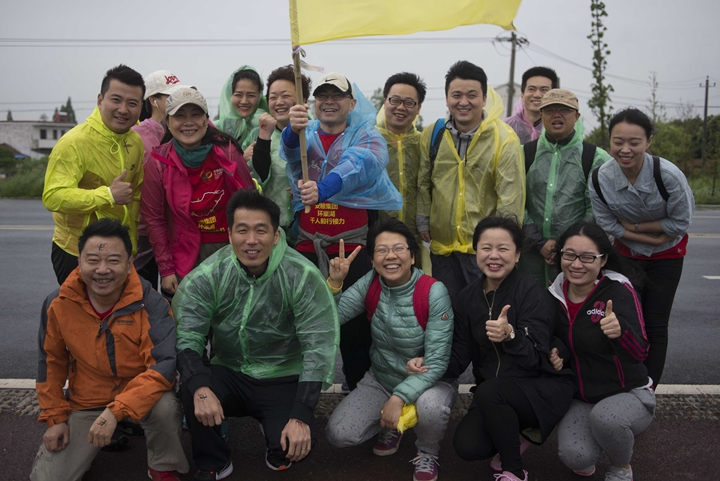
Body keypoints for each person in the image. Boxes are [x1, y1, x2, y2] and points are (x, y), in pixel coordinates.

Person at [173, 190, 339, 480]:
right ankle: (213, 461)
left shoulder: (301, 275)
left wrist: (301, 415)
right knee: (193, 385)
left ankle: (274, 427)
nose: (251, 240)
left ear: (276, 236)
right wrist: (200, 389)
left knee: (291, 449)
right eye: (242, 230)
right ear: (229, 235)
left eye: (261, 230)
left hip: (282, 374)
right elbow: (187, 336)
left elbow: (318, 346)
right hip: (230, 370)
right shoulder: (210, 274)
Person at [31, 218, 188, 481]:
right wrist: (55, 418)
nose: (102, 270)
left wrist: (115, 412)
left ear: (130, 263)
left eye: (114, 260)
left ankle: (163, 465)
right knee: (48, 478)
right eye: (92, 260)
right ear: (79, 261)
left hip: (140, 392)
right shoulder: (58, 303)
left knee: (166, 406)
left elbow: (162, 369)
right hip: (87, 399)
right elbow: (50, 364)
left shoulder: (152, 304)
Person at [281, 71, 402, 390]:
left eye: (337, 95)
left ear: (352, 103)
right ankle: (300, 393)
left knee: (356, 328)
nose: (329, 101)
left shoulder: (367, 135)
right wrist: (291, 132)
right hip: (308, 247)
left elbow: (359, 164)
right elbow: (290, 154)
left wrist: (323, 189)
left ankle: (358, 391)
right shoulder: (305, 133)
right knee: (303, 324)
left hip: (353, 250)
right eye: (322, 95)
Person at [437, 216, 574, 481]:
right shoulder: (467, 297)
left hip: (540, 388)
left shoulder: (532, 293)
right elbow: (461, 352)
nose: (494, 256)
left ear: (518, 254)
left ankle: (514, 471)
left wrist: (510, 335)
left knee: (491, 391)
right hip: (494, 393)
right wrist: (429, 365)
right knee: (468, 446)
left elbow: (536, 359)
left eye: (503, 248)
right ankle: (513, 432)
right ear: (476, 251)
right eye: (486, 248)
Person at [325, 218, 455, 481]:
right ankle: (392, 424)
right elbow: (329, 320)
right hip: (381, 380)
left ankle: (427, 451)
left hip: (429, 383)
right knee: (339, 434)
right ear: (373, 260)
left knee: (430, 406)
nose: (390, 256)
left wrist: (399, 398)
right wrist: (335, 284)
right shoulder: (372, 282)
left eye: (399, 248)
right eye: (381, 250)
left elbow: (437, 361)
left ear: (413, 256)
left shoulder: (433, 291)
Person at [589, 108, 694, 388]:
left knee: (656, 323)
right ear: (609, 141)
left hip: (667, 256)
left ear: (648, 142)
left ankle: (647, 389)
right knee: (626, 321)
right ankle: (623, 382)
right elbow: (606, 222)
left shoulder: (668, 175)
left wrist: (636, 228)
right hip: (626, 256)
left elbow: (681, 222)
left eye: (634, 142)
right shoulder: (600, 177)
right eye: (618, 141)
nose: (625, 149)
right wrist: (653, 236)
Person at [548, 221, 653, 481]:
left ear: (603, 259)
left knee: (607, 419)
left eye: (587, 257)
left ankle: (620, 467)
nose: (576, 264)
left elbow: (640, 353)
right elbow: (559, 338)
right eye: (569, 255)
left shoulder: (618, 290)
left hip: (628, 394)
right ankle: (603, 435)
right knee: (576, 458)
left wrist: (621, 332)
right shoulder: (554, 292)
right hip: (583, 399)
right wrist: (556, 351)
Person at [416, 60, 525, 303]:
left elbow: (510, 198)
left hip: (484, 252)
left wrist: (500, 246)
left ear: (484, 99)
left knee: (486, 312)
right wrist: (423, 219)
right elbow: (423, 183)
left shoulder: (504, 139)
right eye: (456, 95)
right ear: (447, 99)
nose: (463, 102)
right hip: (442, 249)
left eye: (472, 95)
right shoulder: (433, 134)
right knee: (446, 313)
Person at [141, 87, 256, 297]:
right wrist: (166, 270)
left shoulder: (228, 151)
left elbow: (251, 204)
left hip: (229, 251)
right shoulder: (158, 162)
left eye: (195, 115)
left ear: (205, 120)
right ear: (168, 122)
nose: (188, 122)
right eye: (179, 116)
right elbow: (154, 219)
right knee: (189, 314)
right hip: (184, 257)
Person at [43, 64, 145, 285]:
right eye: (116, 100)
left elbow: (134, 198)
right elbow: (53, 196)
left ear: (141, 107)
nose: (123, 109)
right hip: (76, 251)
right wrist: (107, 195)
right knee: (80, 308)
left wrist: (132, 246)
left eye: (132, 103)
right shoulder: (74, 142)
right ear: (100, 100)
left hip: (118, 252)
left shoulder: (135, 141)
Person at [519, 88, 611, 287]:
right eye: (550, 110)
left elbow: (596, 209)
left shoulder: (595, 158)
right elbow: (516, 201)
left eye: (564, 109)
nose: (557, 114)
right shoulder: (523, 153)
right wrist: (539, 242)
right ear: (541, 115)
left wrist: (566, 246)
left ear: (576, 116)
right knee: (531, 301)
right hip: (530, 255)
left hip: (576, 259)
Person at [132, 69, 190, 285]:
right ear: (153, 101)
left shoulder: (184, 129)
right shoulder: (138, 136)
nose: (176, 100)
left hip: (176, 229)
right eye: (169, 96)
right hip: (144, 232)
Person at [249, 65, 312, 235]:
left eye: (286, 96)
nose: (279, 102)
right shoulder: (257, 133)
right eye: (273, 97)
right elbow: (254, 179)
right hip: (272, 226)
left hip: (310, 224)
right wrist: (264, 137)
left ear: (303, 99)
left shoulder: (316, 131)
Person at [376, 72, 427, 267]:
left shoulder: (424, 143)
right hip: (375, 237)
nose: (400, 107)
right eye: (395, 100)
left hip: (414, 238)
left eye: (409, 103)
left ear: (418, 108)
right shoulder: (369, 140)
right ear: (385, 101)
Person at [217, 66, 268, 154]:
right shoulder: (217, 129)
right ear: (230, 95)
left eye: (251, 95)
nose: (244, 101)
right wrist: (243, 159)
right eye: (238, 95)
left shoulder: (265, 124)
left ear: (259, 97)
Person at [503, 67, 558, 144]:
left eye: (544, 90)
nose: (537, 95)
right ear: (522, 95)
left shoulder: (560, 127)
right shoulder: (505, 127)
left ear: (554, 96)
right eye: (532, 89)